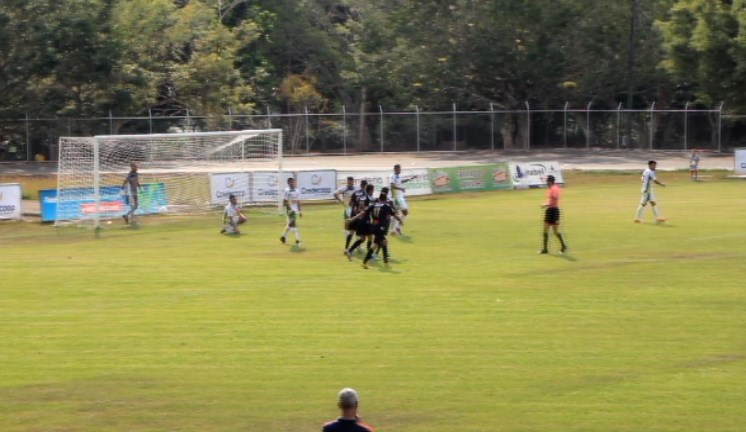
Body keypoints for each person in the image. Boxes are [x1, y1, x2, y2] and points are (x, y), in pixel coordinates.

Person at [348, 190, 402, 269]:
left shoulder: (373, 205)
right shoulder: (386, 206)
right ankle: (366, 262)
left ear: (379, 198)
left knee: (380, 243)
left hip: (373, 226)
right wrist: (400, 220)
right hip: (380, 227)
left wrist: (353, 218)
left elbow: (363, 212)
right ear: (385, 199)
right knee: (379, 243)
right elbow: (394, 215)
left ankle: (383, 261)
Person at [539, 175, 568, 254]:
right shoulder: (553, 188)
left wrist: (545, 204)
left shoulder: (554, 189)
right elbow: (552, 199)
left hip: (554, 211)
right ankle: (545, 249)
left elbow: (554, 199)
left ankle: (563, 246)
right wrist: (547, 204)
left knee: (555, 231)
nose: (546, 183)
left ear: (550, 181)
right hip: (550, 210)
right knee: (545, 230)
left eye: (547, 181)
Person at [345, 183, 375, 260]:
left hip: (361, 220)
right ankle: (370, 255)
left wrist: (354, 217)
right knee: (369, 237)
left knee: (363, 238)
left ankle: (350, 250)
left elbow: (358, 208)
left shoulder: (363, 197)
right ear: (371, 190)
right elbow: (364, 211)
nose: (373, 191)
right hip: (365, 220)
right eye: (373, 190)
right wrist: (353, 218)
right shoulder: (369, 199)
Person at [389, 164, 417, 235]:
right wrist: (400, 188)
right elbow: (392, 186)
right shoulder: (393, 176)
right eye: (398, 169)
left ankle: (396, 228)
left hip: (400, 196)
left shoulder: (399, 176)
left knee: (401, 213)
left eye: (399, 168)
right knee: (399, 213)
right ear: (395, 169)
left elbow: (402, 181)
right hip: (396, 197)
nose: (399, 170)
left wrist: (411, 178)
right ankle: (394, 229)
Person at [334, 176, 357, 251]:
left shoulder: (356, 189)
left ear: (353, 181)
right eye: (348, 181)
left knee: (356, 227)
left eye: (351, 181)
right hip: (348, 209)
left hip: (355, 209)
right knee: (347, 227)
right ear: (347, 181)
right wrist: (341, 202)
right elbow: (335, 194)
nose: (349, 182)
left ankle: (356, 244)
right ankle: (348, 244)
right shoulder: (344, 188)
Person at [280, 177, 303, 245]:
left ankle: (283, 237)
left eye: (293, 182)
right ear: (288, 183)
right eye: (291, 182)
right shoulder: (287, 191)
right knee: (294, 224)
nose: (293, 183)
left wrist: (300, 211)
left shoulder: (297, 190)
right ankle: (298, 240)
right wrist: (290, 209)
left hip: (295, 210)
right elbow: (285, 201)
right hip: (290, 210)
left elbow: (298, 201)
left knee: (290, 225)